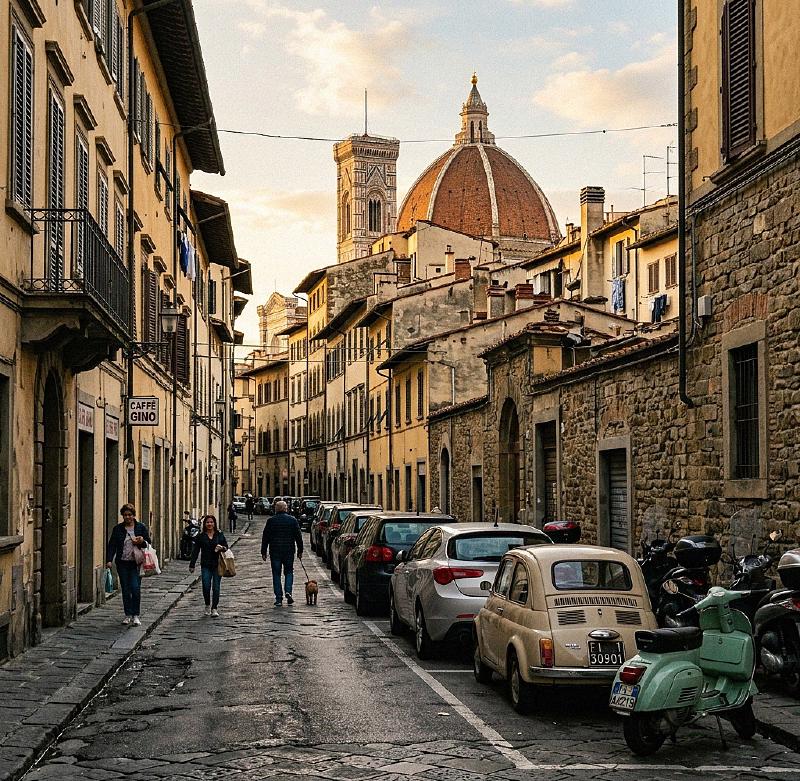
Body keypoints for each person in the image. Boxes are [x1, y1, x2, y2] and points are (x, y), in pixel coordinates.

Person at [105, 503, 151, 627]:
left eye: (130, 515)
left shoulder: (140, 527)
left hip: (136, 563)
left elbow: (148, 543)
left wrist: (142, 542)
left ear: (133, 515)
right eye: (125, 515)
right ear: (122, 516)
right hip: (122, 563)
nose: (127, 517)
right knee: (125, 589)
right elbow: (112, 545)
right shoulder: (118, 529)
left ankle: (136, 615)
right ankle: (128, 615)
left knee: (135, 588)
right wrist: (109, 560)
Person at [261, 499, 303, 606]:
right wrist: (300, 550)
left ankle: (279, 598)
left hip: (275, 551)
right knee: (289, 572)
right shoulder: (292, 520)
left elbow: (265, 537)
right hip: (289, 551)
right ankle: (288, 591)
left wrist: (263, 551)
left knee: (276, 574)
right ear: (286, 509)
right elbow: (298, 536)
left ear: (276, 509)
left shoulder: (271, 521)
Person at [189, 515, 229, 617]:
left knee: (216, 587)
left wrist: (221, 548)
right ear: (205, 524)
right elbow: (196, 551)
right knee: (206, 587)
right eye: (207, 522)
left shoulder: (219, 535)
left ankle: (214, 608)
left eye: (211, 522)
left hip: (217, 565)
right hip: (206, 565)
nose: (209, 524)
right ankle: (207, 604)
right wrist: (192, 564)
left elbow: (226, 547)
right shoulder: (201, 537)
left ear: (214, 523)